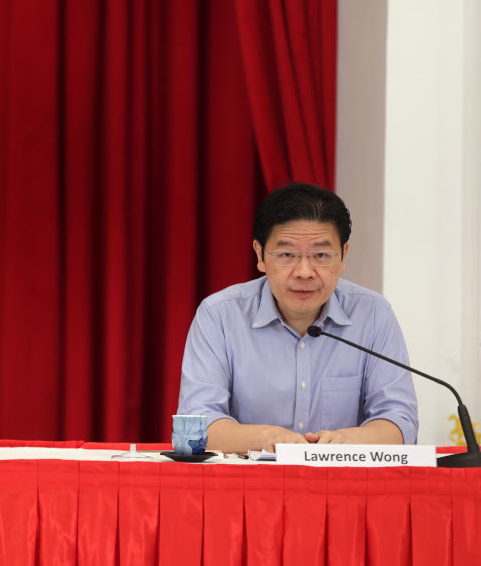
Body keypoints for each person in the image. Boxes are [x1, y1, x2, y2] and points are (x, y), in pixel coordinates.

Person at [177, 183, 418, 454]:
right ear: (260, 254)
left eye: (321, 255)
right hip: (248, 487)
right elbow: (194, 425)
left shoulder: (373, 314)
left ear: (343, 256)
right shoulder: (219, 315)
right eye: (287, 254)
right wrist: (264, 438)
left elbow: (400, 421)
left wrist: (347, 442)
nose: (304, 271)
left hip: (343, 487)